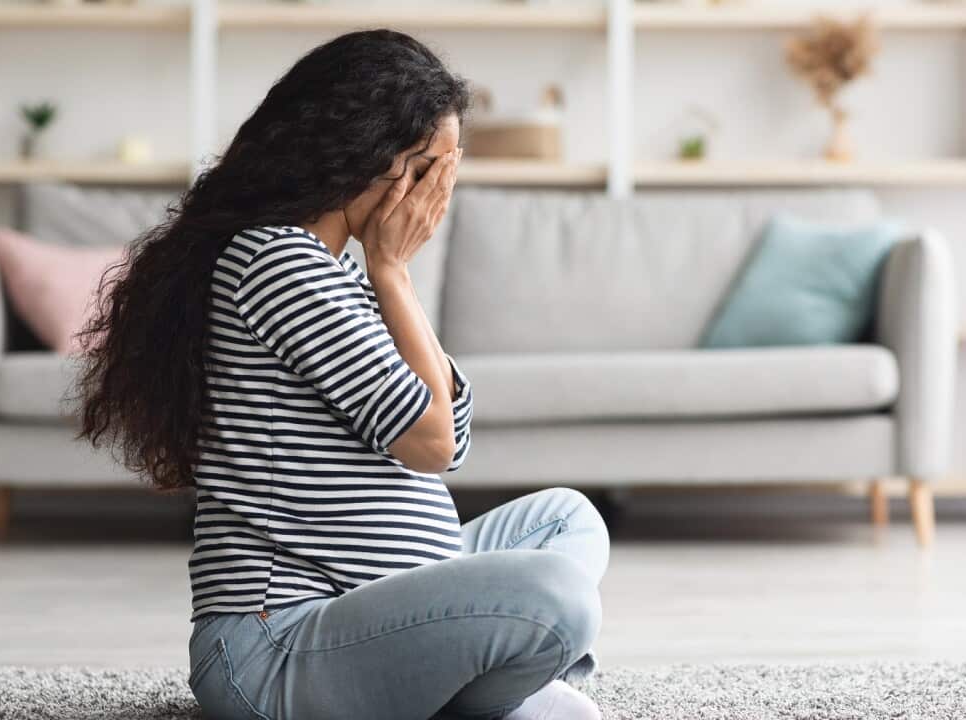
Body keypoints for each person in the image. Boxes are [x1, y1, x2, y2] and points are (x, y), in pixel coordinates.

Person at [74, 29, 609, 720]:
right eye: (425, 170)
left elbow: (450, 431)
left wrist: (391, 279)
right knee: (557, 600)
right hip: (277, 649)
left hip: (379, 598)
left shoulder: (336, 270)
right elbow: (430, 441)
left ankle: (465, 681)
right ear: (360, 154)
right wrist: (394, 269)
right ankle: (478, 691)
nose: (432, 200)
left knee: (567, 520)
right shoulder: (276, 261)